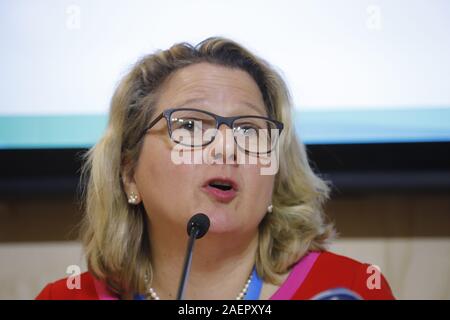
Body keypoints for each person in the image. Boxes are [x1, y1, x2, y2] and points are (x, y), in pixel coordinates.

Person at [36, 37, 394, 300]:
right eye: (191, 127)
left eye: (249, 131)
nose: (227, 148)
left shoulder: (348, 289)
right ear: (129, 174)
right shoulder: (67, 296)